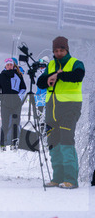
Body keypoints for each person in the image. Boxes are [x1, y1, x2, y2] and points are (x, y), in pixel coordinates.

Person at [36, 36, 85, 189]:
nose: (58, 53)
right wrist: (49, 78)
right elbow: (40, 82)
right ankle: (57, 178)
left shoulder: (76, 63)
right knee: (53, 143)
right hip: (52, 109)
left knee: (66, 142)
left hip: (70, 108)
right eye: (56, 50)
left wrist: (59, 75)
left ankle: (71, 179)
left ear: (66, 50)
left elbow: (78, 76)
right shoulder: (51, 65)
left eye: (61, 50)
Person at [0, 58, 27, 150]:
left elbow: (23, 88)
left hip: (16, 104)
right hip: (5, 105)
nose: (9, 66)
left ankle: (14, 143)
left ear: (13, 66)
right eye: (7, 65)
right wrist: (3, 98)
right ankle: (2, 144)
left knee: (15, 123)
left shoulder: (18, 75)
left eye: (11, 65)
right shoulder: (1, 76)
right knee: (5, 124)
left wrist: (19, 97)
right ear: (5, 66)